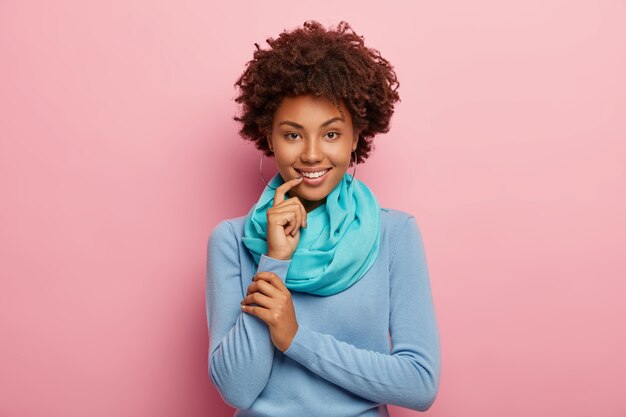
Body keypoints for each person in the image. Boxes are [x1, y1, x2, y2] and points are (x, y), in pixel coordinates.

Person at [206, 20, 441, 417]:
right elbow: (237, 389)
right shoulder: (231, 241)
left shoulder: (395, 234)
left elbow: (419, 384)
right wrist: (275, 261)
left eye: (331, 134)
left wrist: (295, 338)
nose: (312, 154)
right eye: (293, 135)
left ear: (356, 136)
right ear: (268, 135)